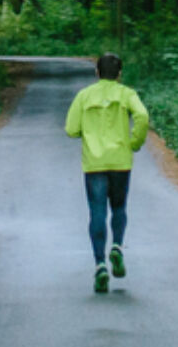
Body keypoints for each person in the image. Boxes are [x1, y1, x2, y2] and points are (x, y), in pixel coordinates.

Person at [64, 52, 150, 293]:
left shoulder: (84, 96)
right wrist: (134, 142)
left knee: (97, 212)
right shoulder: (126, 94)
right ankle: (118, 247)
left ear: (97, 72)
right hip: (121, 161)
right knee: (119, 208)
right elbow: (142, 116)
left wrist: (87, 133)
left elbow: (71, 129)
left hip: (94, 163)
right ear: (120, 74)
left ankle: (100, 265)